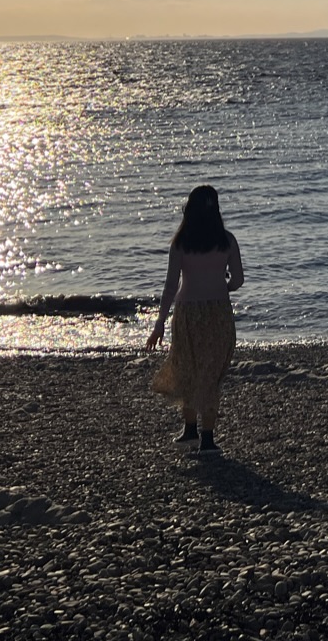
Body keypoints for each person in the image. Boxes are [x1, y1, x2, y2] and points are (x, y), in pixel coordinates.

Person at [145, 184, 244, 454]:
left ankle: (189, 431)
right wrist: (222, 285)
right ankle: (208, 438)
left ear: (189, 210)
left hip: (187, 312)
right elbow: (238, 280)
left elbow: (169, 286)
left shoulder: (181, 242)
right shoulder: (226, 240)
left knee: (187, 367)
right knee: (210, 374)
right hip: (218, 312)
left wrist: (159, 324)